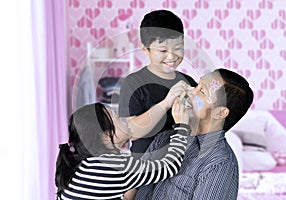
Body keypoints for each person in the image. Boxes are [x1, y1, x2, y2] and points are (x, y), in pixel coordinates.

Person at [135, 68, 254, 200]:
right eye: (197, 85)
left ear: (220, 113)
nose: (190, 91)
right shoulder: (164, 139)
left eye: (202, 91)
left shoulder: (219, 164)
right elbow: (134, 189)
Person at [55, 101, 191, 200]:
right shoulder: (112, 166)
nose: (127, 120)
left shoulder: (82, 161)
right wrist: (182, 126)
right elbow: (169, 166)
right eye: (119, 119)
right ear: (105, 137)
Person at [118, 9, 197, 158]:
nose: (171, 56)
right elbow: (132, 132)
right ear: (145, 49)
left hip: (182, 166)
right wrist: (166, 102)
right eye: (162, 50)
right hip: (147, 170)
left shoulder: (188, 82)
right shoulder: (133, 83)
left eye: (178, 48)